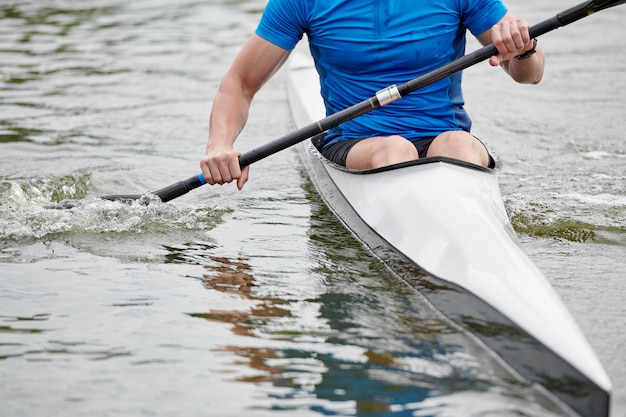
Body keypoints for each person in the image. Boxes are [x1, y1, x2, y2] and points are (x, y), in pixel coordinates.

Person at [200, 0, 545, 190]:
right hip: (356, 141)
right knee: (394, 150)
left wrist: (524, 50)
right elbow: (240, 83)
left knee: (460, 147)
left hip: (445, 136)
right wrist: (219, 144)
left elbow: (529, 75)